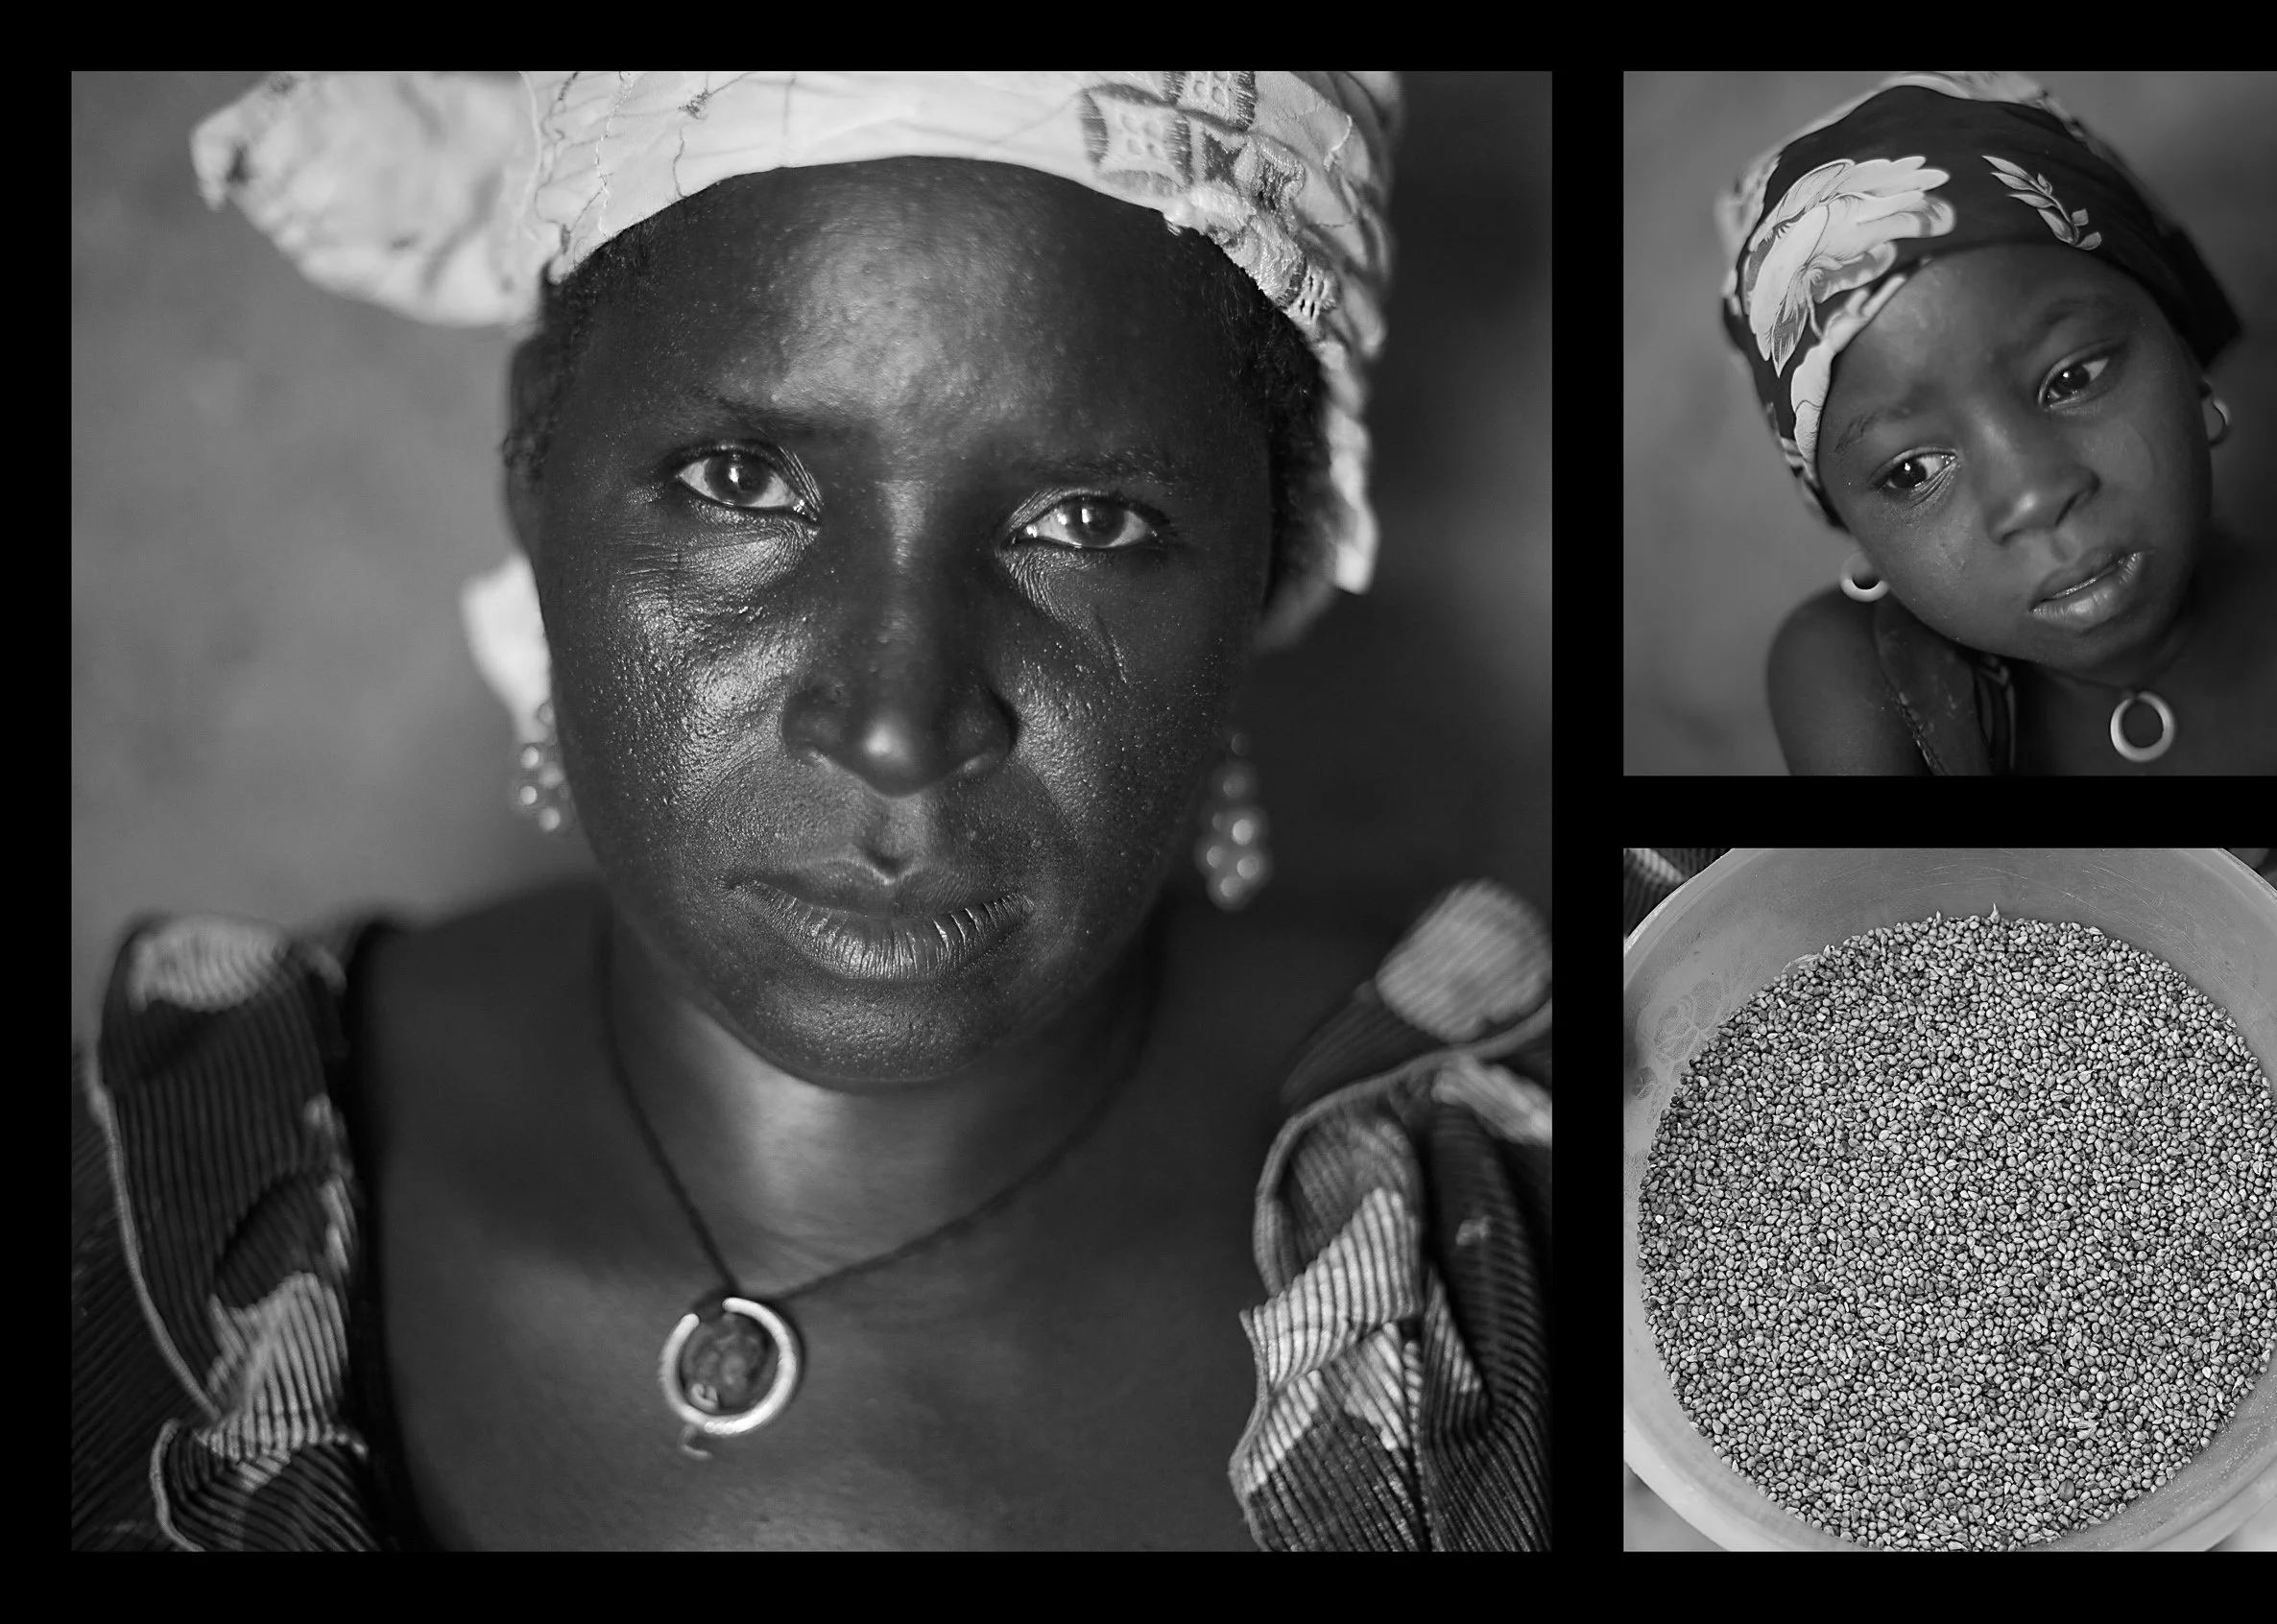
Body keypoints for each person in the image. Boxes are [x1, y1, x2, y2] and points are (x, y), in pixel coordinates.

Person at [70, 72, 1552, 1551]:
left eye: (1089, 524)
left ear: (1280, 554)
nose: (899, 727)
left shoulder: (1544, 1227)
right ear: (536, 467)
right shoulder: (149, 1196)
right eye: (740, 479)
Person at [1718, 72, 2277, 775]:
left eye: (2072, 379)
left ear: (2185, 357)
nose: (2035, 497)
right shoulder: (1862, 678)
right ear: (1853, 527)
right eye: (1912, 471)